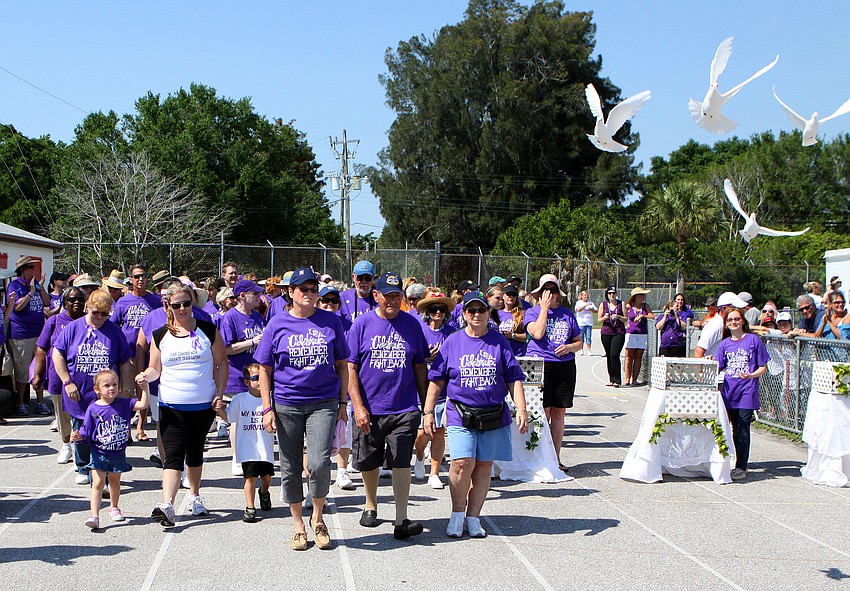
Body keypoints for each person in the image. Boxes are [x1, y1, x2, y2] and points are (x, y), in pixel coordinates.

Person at [255, 267, 349, 550]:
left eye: (313, 288)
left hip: (323, 402)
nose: (309, 293)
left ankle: (317, 517)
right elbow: (264, 369)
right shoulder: (277, 323)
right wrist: (267, 408)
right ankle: (297, 524)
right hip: (287, 403)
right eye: (303, 289)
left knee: (320, 463)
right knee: (290, 465)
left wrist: (343, 404)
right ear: (290, 292)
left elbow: (342, 365)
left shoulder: (331, 321)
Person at [424, 290, 528, 538]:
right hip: (460, 413)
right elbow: (436, 380)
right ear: (465, 314)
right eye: (471, 311)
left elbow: (513, 378)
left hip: (492, 414)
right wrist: (428, 412)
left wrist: (522, 408)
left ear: (488, 312)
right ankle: (457, 513)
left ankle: (473, 517)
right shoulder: (453, 341)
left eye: (481, 310)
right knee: (461, 463)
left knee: (483, 467)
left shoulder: (499, 342)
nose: (477, 315)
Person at [137, 282, 227, 527]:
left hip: (202, 405)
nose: (182, 309)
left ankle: (194, 495)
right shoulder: (160, 335)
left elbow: (222, 363)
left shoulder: (208, 330)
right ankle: (167, 504)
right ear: (168, 305)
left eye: (186, 304)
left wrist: (219, 394)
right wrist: (146, 376)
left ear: (192, 303)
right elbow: (155, 368)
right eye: (176, 305)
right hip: (171, 405)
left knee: (195, 453)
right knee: (173, 455)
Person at [347, 272, 429, 540]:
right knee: (369, 460)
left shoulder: (412, 325)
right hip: (370, 407)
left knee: (401, 460)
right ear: (376, 296)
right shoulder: (362, 324)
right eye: (388, 295)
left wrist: (425, 406)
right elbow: (350, 368)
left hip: (404, 407)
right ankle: (370, 504)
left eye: (397, 295)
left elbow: (420, 367)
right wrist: (358, 407)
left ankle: (401, 518)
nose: (393, 300)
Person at [52, 290, 133, 485]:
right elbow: (58, 354)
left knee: (103, 430)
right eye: (95, 312)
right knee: (80, 428)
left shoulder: (114, 331)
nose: (99, 317)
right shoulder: (72, 328)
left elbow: (124, 362)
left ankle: (101, 468)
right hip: (78, 390)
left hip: (105, 393)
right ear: (87, 307)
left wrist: (126, 389)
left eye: (104, 314)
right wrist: (67, 381)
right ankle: (82, 466)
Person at [70, 369, 150, 529]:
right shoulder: (93, 409)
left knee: (114, 481)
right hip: (98, 452)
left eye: (115, 384)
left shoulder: (124, 403)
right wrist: (78, 437)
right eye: (106, 385)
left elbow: (143, 404)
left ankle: (114, 507)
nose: (112, 388)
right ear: (97, 389)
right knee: (98, 483)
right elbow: (86, 430)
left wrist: (145, 388)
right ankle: (94, 515)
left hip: (118, 452)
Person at [524, 274, 581, 471]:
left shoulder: (567, 314)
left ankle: (555, 457)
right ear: (539, 294)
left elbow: (579, 342)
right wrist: (545, 309)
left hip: (564, 365)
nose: (550, 294)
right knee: (543, 413)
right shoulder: (532, 312)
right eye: (545, 291)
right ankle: (541, 457)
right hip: (541, 364)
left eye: (553, 291)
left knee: (559, 414)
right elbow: (537, 333)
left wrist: (570, 348)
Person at [712, 307, 769, 481]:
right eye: (730, 320)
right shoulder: (725, 344)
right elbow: (718, 366)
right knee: (735, 428)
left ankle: (742, 466)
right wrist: (709, 362)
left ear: (743, 321)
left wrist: (751, 375)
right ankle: (736, 461)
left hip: (747, 389)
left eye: (736, 319)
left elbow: (763, 366)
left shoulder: (753, 340)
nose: (733, 322)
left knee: (744, 426)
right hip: (730, 390)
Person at [32, 287, 86, 464]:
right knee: (62, 414)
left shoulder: (90, 321)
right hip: (57, 377)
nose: (76, 302)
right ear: (64, 303)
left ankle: (83, 447)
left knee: (81, 414)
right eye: (72, 300)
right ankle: (66, 445)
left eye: (80, 299)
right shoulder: (54, 321)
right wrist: (37, 374)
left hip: (83, 377)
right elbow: (41, 349)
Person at [110, 263, 163, 441]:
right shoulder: (123, 301)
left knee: (144, 391)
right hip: (127, 355)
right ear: (131, 280)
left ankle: (140, 427)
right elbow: (114, 324)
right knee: (126, 392)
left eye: (143, 276)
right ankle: (126, 431)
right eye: (137, 276)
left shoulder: (155, 301)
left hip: (149, 355)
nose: (141, 279)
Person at [412, 292, 456, 489]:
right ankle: (420, 455)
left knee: (439, 432)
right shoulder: (418, 330)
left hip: (444, 390)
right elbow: (411, 357)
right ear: (427, 313)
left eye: (442, 309)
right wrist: (425, 356)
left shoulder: (453, 333)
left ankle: (435, 472)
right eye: (433, 310)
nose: (438, 313)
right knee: (422, 433)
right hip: (421, 389)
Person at [222, 363, 274, 523]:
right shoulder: (240, 399)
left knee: (266, 477)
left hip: (265, 448)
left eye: (262, 377)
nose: (260, 381)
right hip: (248, 449)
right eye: (255, 378)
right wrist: (218, 410)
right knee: (250, 478)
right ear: (246, 382)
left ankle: (264, 492)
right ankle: (250, 507)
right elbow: (229, 417)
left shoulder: (271, 399)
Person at [316, 285, 355, 491]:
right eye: (325, 301)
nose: (329, 304)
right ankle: (312, 479)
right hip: (318, 390)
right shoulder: (312, 323)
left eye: (334, 301)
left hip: (342, 388)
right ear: (318, 302)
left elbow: (349, 360)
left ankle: (342, 471)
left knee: (344, 431)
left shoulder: (348, 326)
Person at [7, 256, 51, 416]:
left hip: (38, 333)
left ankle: (40, 402)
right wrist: (31, 293)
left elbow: (47, 303)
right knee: (22, 369)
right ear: (22, 270)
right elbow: (17, 307)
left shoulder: (35, 285)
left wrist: (41, 288)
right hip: (21, 335)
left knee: (39, 369)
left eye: (34, 267)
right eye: (30, 267)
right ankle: (21, 402)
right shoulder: (15, 285)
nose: (34, 270)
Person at [694, 292, 749, 359]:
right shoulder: (716, 325)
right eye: (734, 308)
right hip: (714, 367)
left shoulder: (724, 324)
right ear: (723, 309)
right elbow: (698, 351)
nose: (738, 311)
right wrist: (700, 369)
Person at [624, 287, 654, 387]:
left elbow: (651, 316)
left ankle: (635, 379)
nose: (642, 297)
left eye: (642, 295)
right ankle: (627, 378)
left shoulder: (645, 306)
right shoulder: (629, 306)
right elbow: (623, 315)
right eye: (640, 295)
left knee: (638, 357)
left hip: (642, 334)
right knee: (629, 356)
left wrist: (643, 316)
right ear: (635, 297)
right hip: (631, 333)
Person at [599, 287, 626, 387]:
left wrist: (618, 317)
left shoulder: (621, 303)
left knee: (615, 354)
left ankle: (617, 380)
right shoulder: (604, 304)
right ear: (607, 294)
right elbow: (599, 319)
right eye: (609, 293)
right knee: (609, 355)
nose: (611, 295)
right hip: (606, 332)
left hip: (618, 332)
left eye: (613, 293)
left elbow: (626, 318)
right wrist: (605, 318)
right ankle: (611, 379)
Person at [498, 284, 527, 357]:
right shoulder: (496, 314)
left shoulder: (522, 314)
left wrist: (512, 335)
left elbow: (528, 337)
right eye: (509, 294)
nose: (511, 296)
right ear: (503, 296)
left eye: (514, 294)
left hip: (517, 355)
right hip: (501, 354)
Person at [574, 290, 597, 356]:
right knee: (581, 337)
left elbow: (596, 310)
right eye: (585, 295)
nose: (586, 296)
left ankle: (589, 350)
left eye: (587, 295)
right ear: (582, 296)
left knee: (588, 337)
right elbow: (578, 310)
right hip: (581, 323)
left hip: (589, 322)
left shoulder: (591, 303)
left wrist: (591, 309)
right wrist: (585, 305)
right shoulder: (579, 303)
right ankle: (581, 349)